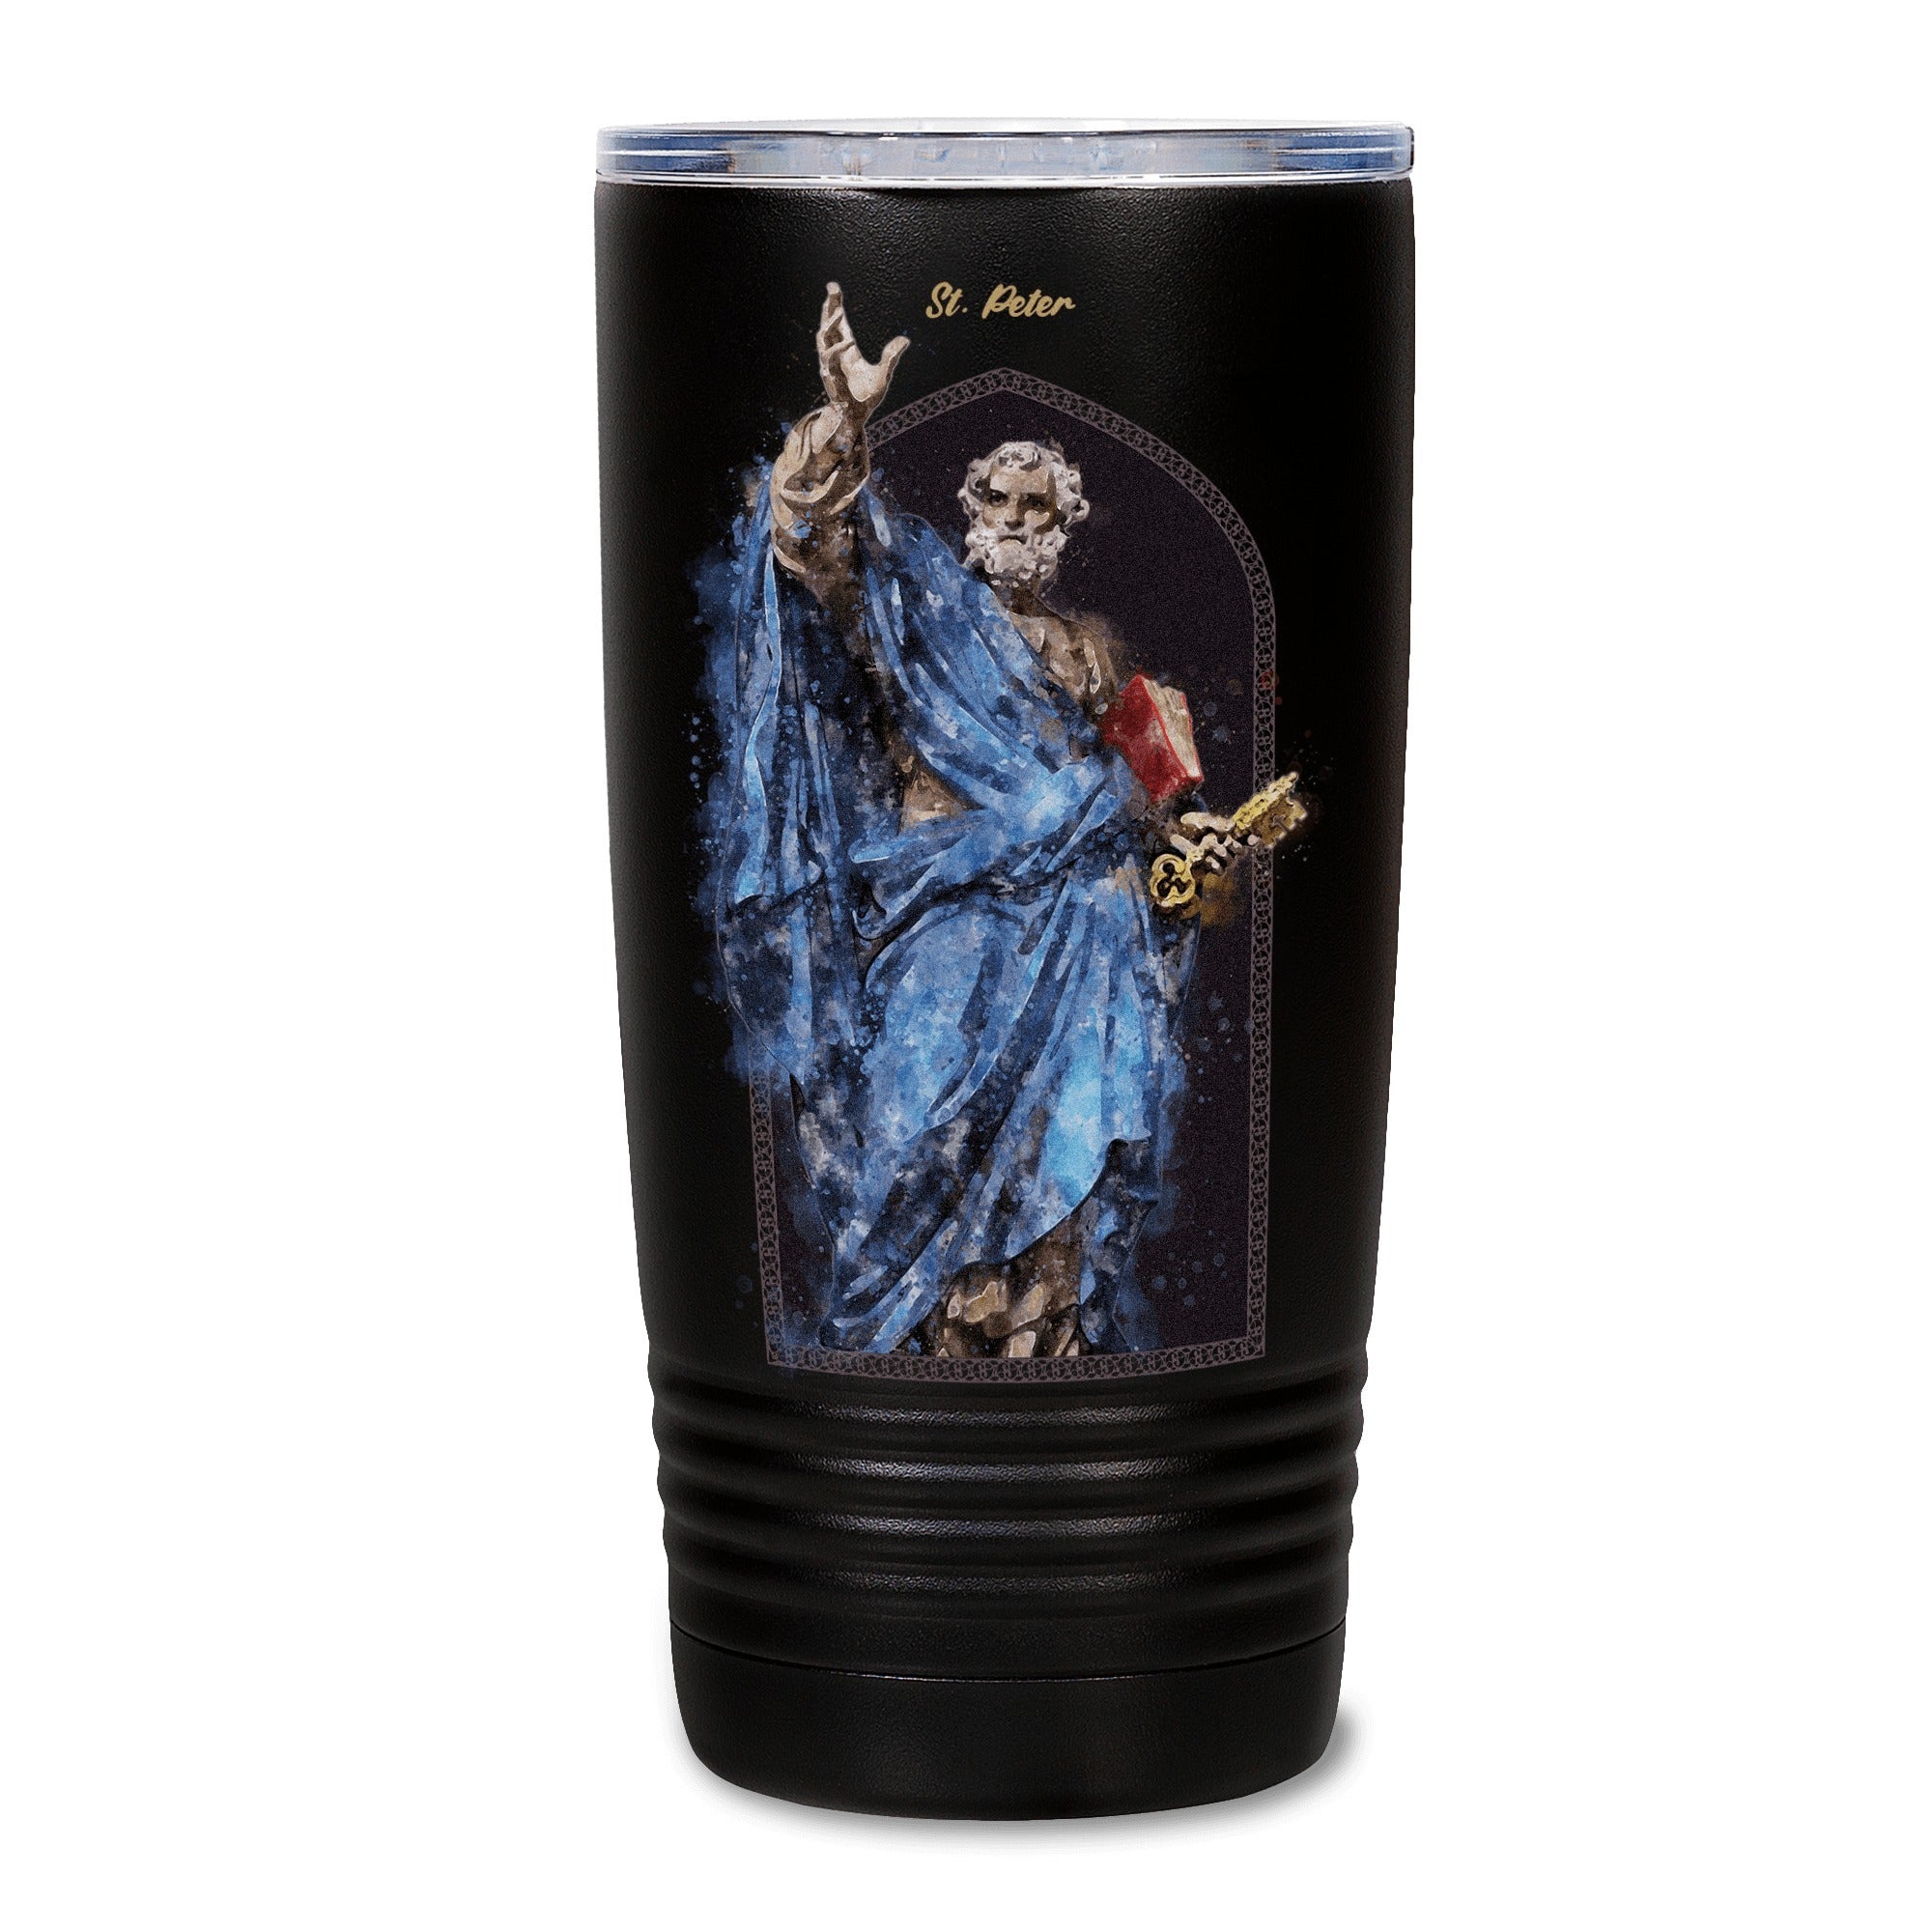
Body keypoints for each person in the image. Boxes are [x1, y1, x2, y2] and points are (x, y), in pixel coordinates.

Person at [702, 285, 1243, 1357]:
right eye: (996, 497)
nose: (1012, 517)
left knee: (1058, 1152)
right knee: (919, 1130)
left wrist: (1189, 842)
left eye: (1035, 504)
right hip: (940, 915)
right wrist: (844, 421)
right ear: (970, 506)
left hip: (1076, 937)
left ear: (1063, 523)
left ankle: (1038, 1353)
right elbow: (807, 541)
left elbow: (1137, 803)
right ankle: (923, 1360)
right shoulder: (915, 608)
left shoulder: (1091, 652)